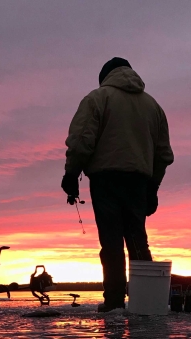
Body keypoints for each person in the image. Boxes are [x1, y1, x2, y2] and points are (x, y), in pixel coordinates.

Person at [61, 57, 174, 312]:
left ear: (105, 77)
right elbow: (163, 153)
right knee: (137, 239)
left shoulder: (98, 98)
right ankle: (146, 301)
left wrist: (71, 174)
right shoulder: (153, 106)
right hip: (139, 182)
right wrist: (153, 187)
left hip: (106, 180)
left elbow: (81, 141)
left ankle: (113, 301)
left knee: (111, 241)